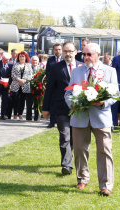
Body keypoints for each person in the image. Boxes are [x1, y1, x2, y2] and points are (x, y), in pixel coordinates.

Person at [64, 43, 118, 196]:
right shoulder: (76, 71)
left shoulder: (109, 71)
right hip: (80, 117)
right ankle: (82, 178)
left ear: (98, 55)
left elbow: (116, 94)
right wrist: (73, 103)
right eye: (84, 54)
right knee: (80, 150)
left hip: (101, 118)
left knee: (105, 150)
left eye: (89, 54)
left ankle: (106, 185)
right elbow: (68, 93)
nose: (86, 57)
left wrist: (103, 102)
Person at [42, 41, 83, 175]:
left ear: (75, 52)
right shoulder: (55, 67)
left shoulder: (82, 67)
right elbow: (49, 89)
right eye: (65, 51)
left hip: (78, 108)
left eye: (70, 51)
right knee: (65, 135)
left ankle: (68, 159)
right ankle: (67, 165)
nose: (67, 54)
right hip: (61, 107)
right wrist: (46, 108)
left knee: (73, 138)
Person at [10, 51, 32, 121]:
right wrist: (19, 80)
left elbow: (30, 75)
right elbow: (13, 74)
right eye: (20, 56)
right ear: (18, 57)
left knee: (22, 101)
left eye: (23, 56)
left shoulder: (29, 65)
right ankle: (15, 115)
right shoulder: (15, 64)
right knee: (15, 100)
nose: (21, 58)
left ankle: (20, 114)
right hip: (16, 85)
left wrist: (24, 80)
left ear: (26, 57)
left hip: (25, 85)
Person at [45, 43, 63, 128]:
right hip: (53, 85)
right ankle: (52, 122)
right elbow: (47, 71)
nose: (57, 51)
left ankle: (61, 122)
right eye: (56, 49)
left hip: (63, 85)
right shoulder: (50, 60)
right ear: (53, 50)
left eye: (59, 49)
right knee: (52, 103)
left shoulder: (64, 59)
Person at [0, 52, 13, 120]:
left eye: (8, 60)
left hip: (6, 85)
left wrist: (8, 83)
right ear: (2, 58)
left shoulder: (10, 65)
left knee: (5, 100)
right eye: (5, 60)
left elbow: (12, 76)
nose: (6, 61)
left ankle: (3, 115)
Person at [30, 55, 40, 121]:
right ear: (31, 61)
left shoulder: (41, 68)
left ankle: (37, 118)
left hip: (38, 89)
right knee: (29, 104)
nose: (34, 62)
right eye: (33, 60)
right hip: (29, 88)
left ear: (38, 62)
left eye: (36, 60)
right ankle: (29, 117)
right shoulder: (28, 68)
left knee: (37, 104)